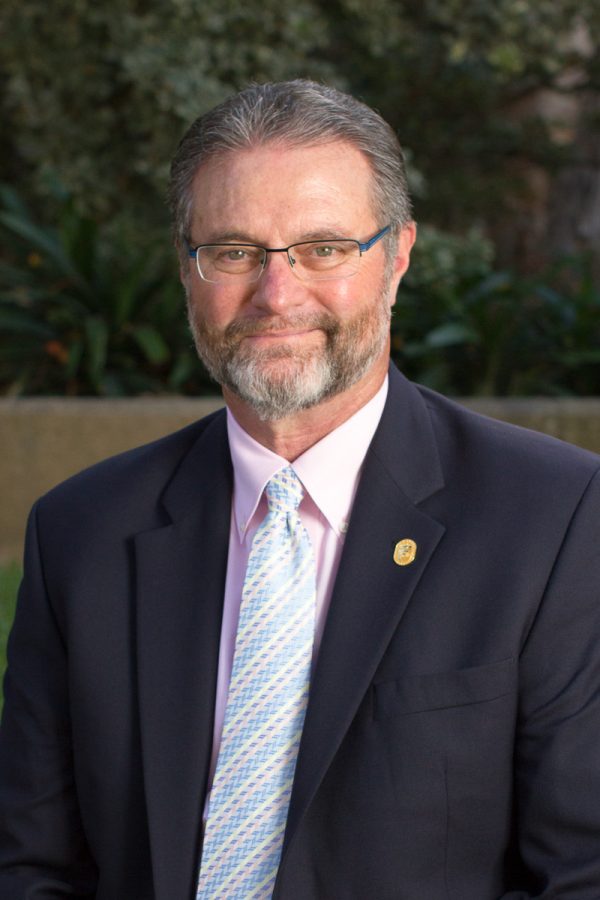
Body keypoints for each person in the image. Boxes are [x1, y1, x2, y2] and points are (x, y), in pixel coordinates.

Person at [1, 79, 600, 900]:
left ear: (397, 256)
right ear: (187, 268)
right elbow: (30, 866)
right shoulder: (81, 531)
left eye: (324, 247)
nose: (277, 296)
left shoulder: (554, 518)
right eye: (235, 251)